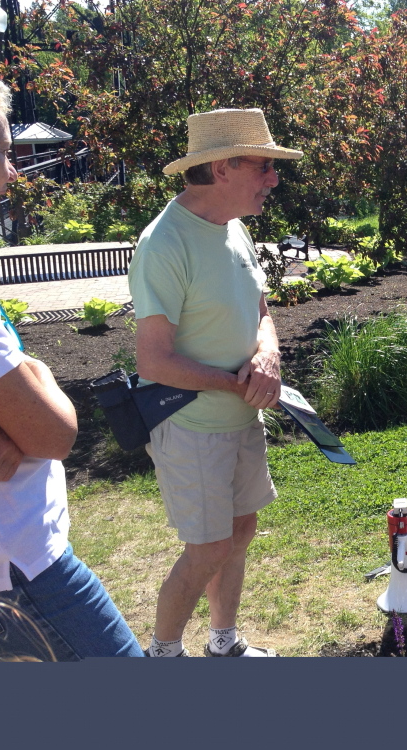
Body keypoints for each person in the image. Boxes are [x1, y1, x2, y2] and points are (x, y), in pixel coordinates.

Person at [0, 46, 142, 659]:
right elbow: (56, 430)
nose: (13, 172)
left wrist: (26, 381)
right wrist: (29, 406)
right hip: (16, 574)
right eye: (1, 151)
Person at [129, 108, 302, 657]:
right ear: (223, 168)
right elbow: (153, 362)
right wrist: (235, 384)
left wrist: (268, 354)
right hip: (193, 429)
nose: (274, 179)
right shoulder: (164, 244)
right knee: (206, 549)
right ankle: (163, 655)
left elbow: (260, 310)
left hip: (241, 418)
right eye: (264, 166)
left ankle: (223, 644)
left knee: (241, 531)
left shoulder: (235, 228)